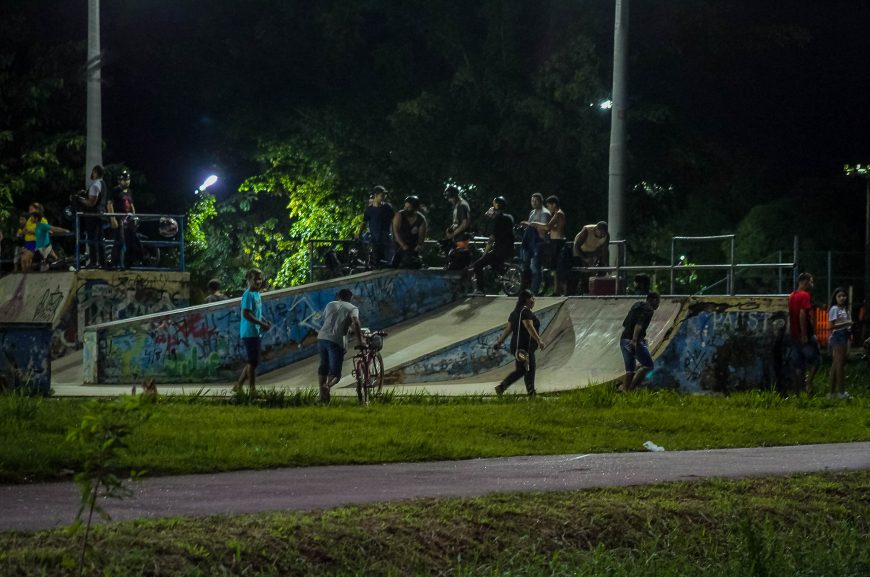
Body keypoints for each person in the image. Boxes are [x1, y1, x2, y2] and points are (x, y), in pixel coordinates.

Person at [493, 289, 546, 396]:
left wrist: (500, 342)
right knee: (528, 368)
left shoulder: (515, 313)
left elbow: (508, 329)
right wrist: (539, 340)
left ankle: (502, 387)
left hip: (517, 346)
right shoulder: (525, 312)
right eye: (532, 298)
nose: (534, 300)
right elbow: (529, 326)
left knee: (523, 369)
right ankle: (530, 393)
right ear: (526, 299)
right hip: (523, 347)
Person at [317, 288, 362, 403]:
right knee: (336, 373)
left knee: (323, 366)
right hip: (336, 341)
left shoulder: (330, 304)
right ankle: (327, 386)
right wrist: (360, 340)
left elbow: (330, 320)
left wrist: (348, 327)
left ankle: (323, 397)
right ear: (350, 298)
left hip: (322, 338)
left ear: (338, 296)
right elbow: (355, 322)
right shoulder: (352, 308)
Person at [236, 268, 271, 395]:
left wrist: (264, 321)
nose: (258, 281)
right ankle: (252, 390)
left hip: (255, 332)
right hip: (249, 332)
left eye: (260, 278)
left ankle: (238, 385)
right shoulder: (248, 295)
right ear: (249, 280)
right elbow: (246, 314)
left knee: (253, 361)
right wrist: (261, 323)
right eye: (255, 279)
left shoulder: (257, 294)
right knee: (253, 362)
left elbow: (255, 313)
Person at [471, 196, 514, 294]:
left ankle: (480, 289)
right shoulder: (509, 217)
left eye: (494, 203)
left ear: (497, 205)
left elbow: (491, 239)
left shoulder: (497, 219)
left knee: (478, 265)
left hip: (499, 250)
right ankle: (501, 274)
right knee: (492, 263)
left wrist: (485, 252)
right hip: (510, 249)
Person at [619, 292, 661, 391]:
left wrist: (641, 337)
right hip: (633, 341)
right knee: (648, 365)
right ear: (653, 300)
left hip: (623, 339)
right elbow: (639, 324)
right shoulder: (649, 310)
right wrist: (635, 340)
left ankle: (625, 392)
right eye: (658, 302)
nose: (658, 305)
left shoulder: (636, 305)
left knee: (630, 370)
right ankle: (631, 389)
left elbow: (625, 324)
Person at [527, 195, 566, 295]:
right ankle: (555, 289)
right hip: (556, 241)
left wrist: (534, 223)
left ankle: (557, 290)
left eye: (549, 205)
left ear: (554, 204)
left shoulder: (558, 214)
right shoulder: (558, 214)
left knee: (554, 268)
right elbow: (554, 228)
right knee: (553, 268)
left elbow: (547, 227)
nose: (548, 208)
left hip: (557, 242)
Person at [788, 272, 819, 392]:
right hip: (804, 334)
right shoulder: (805, 295)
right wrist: (805, 334)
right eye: (811, 281)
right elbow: (802, 314)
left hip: (794, 334)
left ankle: (798, 389)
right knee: (816, 360)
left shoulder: (791, 296)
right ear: (805, 282)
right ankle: (808, 384)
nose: (812, 284)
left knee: (798, 364)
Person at [72, 165, 108, 268]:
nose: (92, 174)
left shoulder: (95, 185)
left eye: (93, 172)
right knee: (100, 240)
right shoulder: (103, 184)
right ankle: (102, 262)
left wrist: (79, 199)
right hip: (101, 215)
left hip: (93, 216)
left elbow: (91, 203)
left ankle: (94, 262)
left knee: (92, 239)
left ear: (95, 172)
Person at [107, 169, 143, 269]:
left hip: (129, 220)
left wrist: (135, 217)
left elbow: (132, 205)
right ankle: (114, 263)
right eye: (124, 180)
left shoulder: (130, 191)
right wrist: (112, 218)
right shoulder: (115, 190)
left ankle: (129, 264)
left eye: (127, 179)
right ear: (119, 181)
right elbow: (109, 204)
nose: (126, 181)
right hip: (119, 218)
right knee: (119, 240)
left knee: (130, 241)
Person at [519, 193, 551, 294]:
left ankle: (534, 291)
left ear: (541, 201)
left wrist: (531, 224)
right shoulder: (532, 212)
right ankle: (526, 289)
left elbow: (545, 228)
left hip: (539, 242)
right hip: (530, 242)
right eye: (532, 201)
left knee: (535, 267)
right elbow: (530, 226)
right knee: (526, 266)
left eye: (536, 201)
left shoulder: (545, 213)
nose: (533, 203)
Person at [359, 185, 395, 268]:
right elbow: (364, 222)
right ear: (375, 195)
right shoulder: (369, 210)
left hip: (385, 237)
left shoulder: (387, 207)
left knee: (388, 261)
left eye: (384, 195)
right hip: (375, 239)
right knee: (376, 261)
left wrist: (394, 235)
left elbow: (394, 221)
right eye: (382, 195)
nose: (384, 197)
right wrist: (359, 233)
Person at [827, 287, 852, 399]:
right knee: (839, 365)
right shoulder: (834, 309)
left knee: (836, 364)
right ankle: (841, 392)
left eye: (844, 296)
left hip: (845, 335)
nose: (842, 298)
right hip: (838, 335)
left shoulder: (845, 309)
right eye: (839, 296)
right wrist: (847, 323)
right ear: (835, 298)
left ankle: (831, 393)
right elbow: (831, 326)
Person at [572, 221, 610, 293]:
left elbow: (605, 251)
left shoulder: (606, 235)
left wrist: (607, 264)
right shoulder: (587, 230)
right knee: (583, 270)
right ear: (596, 229)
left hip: (593, 250)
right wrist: (585, 259)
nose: (602, 236)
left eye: (604, 234)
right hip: (581, 249)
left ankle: (597, 286)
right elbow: (577, 246)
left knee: (597, 267)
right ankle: (580, 288)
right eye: (601, 233)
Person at [392, 195, 428, 268]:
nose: (406, 209)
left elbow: (421, 236)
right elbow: (396, 232)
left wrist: (419, 245)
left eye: (409, 208)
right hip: (400, 246)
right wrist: (403, 245)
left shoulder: (421, 219)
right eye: (405, 207)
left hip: (413, 248)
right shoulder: (399, 215)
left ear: (415, 208)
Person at [31, 204, 70, 271]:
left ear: (36, 218)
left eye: (32, 217)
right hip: (40, 249)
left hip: (45, 247)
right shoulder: (37, 227)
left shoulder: (42, 225)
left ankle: (67, 268)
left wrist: (64, 230)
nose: (31, 218)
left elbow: (54, 228)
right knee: (42, 265)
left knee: (54, 261)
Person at [444, 186, 472, 270]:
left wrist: (452, 234)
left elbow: (464, 224)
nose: (449, 200)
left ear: (454, 196)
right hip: (458, 238)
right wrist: (450, 229)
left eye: (450, 198)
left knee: (456, 266)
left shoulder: (461, 205)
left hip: (462, 239)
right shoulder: (458, 205)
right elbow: (457, 222)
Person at [19, 204, 48, 273]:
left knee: (25, 259)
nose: (29, 211)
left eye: (31, 209)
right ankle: (25, 277)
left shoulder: (43, 220)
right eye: (29, 209)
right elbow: (25, 229)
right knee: (23, 260)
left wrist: (31, 231)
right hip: (27, 242)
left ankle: (28, 274)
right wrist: (24, 230)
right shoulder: (29, 219)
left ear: (37, 210)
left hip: (36, 242)